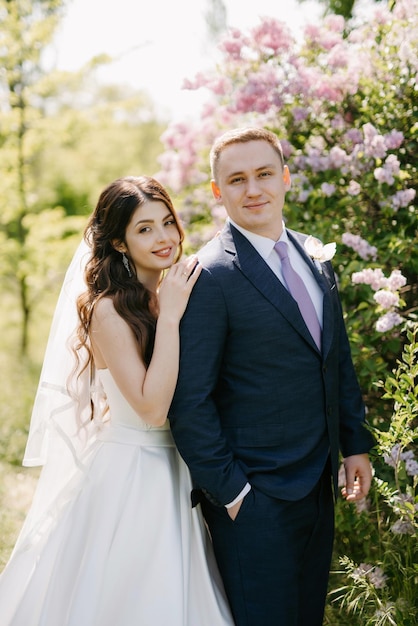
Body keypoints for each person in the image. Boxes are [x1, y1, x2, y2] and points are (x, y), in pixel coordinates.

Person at [0, 176, 234, 626]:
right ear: (120, 243)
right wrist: (169, 318)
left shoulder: (178, 292)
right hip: (135, 473)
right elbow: (151, 409)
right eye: (144, 229)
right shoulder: (107, 309)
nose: (164, 237)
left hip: (183, 466)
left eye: (167, 222)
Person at [169, 127, 375, 626]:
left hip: (318, 485)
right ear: (218, 192)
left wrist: (355, 445)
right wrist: (235, 494)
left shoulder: (313, 255)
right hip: (254, 499)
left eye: (264, 174)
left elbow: (336, 360)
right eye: (236, 180)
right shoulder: (210, 276)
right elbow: (189, 401)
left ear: (285, 178)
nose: (253, 189)